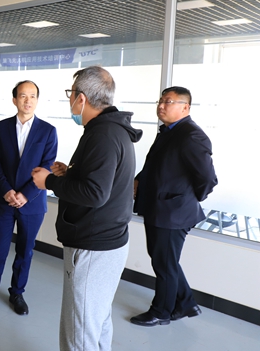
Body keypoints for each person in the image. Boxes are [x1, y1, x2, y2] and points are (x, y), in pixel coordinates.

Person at [31, 66, 142, 351]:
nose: (70, 101)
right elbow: (103, 181)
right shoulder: (112, 130)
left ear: (81, 98)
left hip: (94, 247)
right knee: (96, 318)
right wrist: (70, 173)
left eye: (71, 94)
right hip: (108, 240)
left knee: (80, 329)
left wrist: (50, 182)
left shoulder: (103, 135)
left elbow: (95, 193)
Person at [0, 80, 57, 319]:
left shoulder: (48, 131)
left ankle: (17, 293)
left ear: (37, 100)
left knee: (25, 251)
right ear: (14, 99)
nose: (28, 100)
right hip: (4, 200)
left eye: (32, 96)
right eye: (23, 96)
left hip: (32, 202)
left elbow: (48, 165)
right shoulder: (2, 127)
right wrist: (7, 190)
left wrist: (25, 194)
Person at [130, 86, 217, 327]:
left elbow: (208, 178)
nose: (161, 106)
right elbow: (160, 165)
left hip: (173, 212)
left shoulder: (191, 135)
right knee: (164, 261)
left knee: (164, 264)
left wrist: (187, 198)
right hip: (159, 208)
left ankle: (161, 312)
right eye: (160, 101)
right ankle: (186, 303)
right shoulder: (169, 131)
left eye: (168, 102)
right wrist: (139, 179)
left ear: (185, 107)